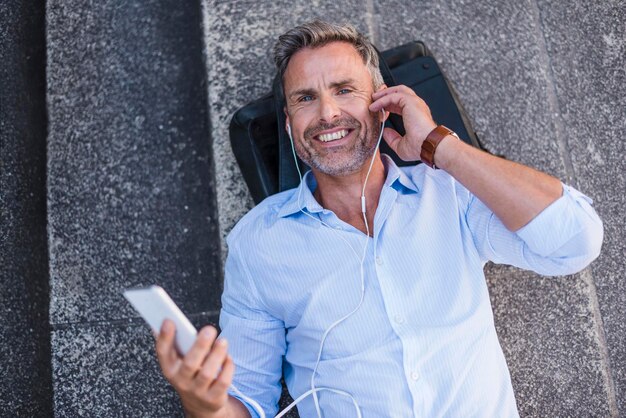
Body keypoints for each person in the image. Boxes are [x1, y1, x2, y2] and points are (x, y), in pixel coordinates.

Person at [154, 20, 603, 418]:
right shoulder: (259, 243)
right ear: (290, 126)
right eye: (306, 98)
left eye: (345, 90)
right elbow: (246, 405)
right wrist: (204, 401)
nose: (328, 113)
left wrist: (439, 146)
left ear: (383, 103)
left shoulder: (448, 191)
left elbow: (574, 242)